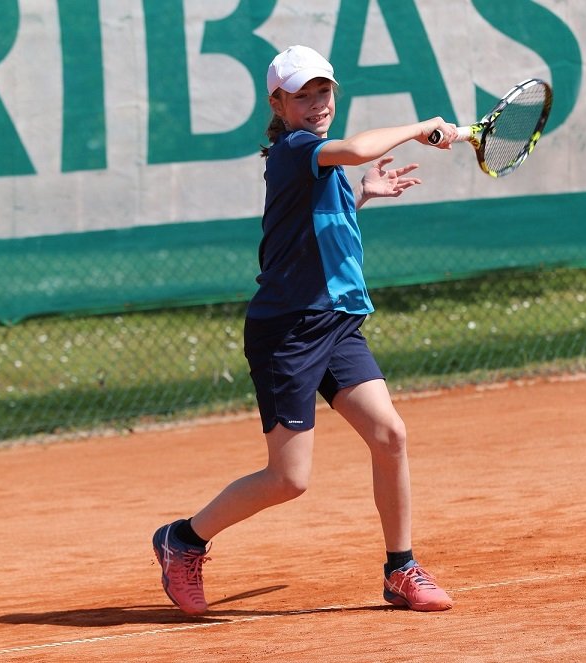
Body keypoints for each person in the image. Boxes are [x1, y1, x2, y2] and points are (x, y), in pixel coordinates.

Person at [153, 45, 458, 615]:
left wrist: (362, 195)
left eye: (324, 91)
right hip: (287, 332)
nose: (317, 104)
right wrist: (421, 127)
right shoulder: (297, 150)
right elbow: (359, 148)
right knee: (288, 479)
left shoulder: (321, 164)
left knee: (390, 435)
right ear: (278, 104)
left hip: (336, 322)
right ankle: (183, 539)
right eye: (302, 95)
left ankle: (401, 568)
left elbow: (313, 231)